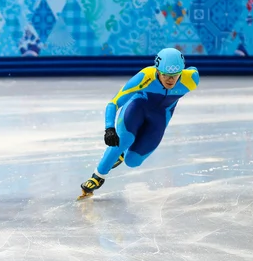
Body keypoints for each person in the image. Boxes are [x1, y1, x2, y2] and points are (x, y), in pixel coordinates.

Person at [78, 48, 200, 199]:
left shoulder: (191, 79)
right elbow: (114, 103)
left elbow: (193, 70)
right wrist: (109, 128)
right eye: (165, 75)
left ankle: (121, 156)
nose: (170, 80)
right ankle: (97, 176)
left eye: (174, 76)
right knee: (124, 140)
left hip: (160, 117)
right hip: (138, 107)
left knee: (133, 161)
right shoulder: (145, 76)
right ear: (157, 70)